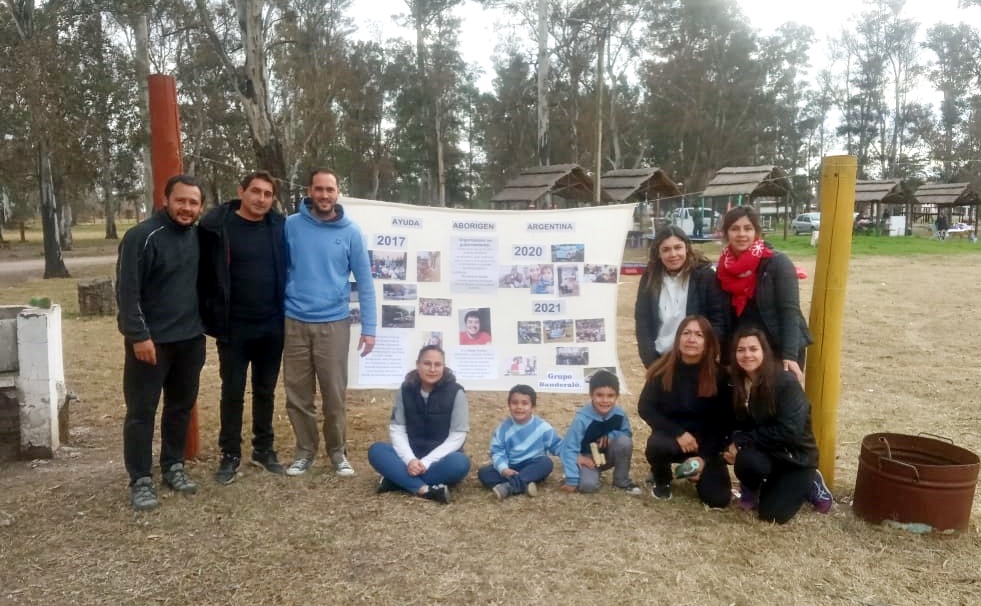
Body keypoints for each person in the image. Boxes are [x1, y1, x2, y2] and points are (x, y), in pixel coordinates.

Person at [116, 174, 207, 511]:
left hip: (190, 340)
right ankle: (140, 478)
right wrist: (138, 336)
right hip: (151, 343)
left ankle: (173, 466)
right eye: (180, 201)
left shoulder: (198, 237)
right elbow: (127, 292)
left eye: (193, 203)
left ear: (200, 207)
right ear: (166, 200)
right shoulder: (142, 236)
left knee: (180, 407)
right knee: (141, 412)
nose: (186, 208)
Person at [283, 169, 377, 477]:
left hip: (334, 324)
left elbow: (364, 282)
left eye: (330, 189)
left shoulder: (351, 232)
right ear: (309, 191)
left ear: (338, 193)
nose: (324, 195)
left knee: (334, 395)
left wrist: (370, 329)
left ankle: (338, 452)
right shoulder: (291, 226)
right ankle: (304, 452)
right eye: (319, 189)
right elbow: (281, 269)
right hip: (294, 321)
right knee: (298, 394)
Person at [198, 170, 287, 484]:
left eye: (267, 194)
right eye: (256, 192)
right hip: (233, 327)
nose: (261, 199)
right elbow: (203, 274)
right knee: (232, 392)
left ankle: (263, 449)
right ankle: (230, 454)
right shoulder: (215, 227)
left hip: (272, 325)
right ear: (242, 192)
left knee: (265, 391)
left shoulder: (279, 227)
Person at [723, 328, 833, 524]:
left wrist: (742, 440)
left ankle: (812, 482)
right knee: (746, 461)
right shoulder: (735, 382)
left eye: (753, 349)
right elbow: (734, 421)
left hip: (794, 457)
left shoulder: (785, 382)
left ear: (764, 352)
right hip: (766, 452)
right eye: (741, 350)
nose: (747, 354)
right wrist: (731, 441)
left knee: (772, 515)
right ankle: (752, 490)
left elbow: (790, 430)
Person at [637, 315, 733, 506]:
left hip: (707, 444)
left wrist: (703, 458)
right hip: (673, 439)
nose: (691, 339)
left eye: (698, 334)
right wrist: (678, 433)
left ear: (707, 342)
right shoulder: (662, 369)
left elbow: (723, 423)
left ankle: (696, 469)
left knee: (718, 500)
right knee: (656, 445)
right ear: (678, 338)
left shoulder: (720, 376)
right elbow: (645, 407)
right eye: (686, 333)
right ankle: (662, 479)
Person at [716, 206, 811, 381]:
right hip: (745, 348)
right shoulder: (723, 268)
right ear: (726, 233)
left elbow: (789, 310)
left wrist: (789, 355)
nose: (741, 234)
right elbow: (724, 315)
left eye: (748, 228)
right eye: (735, 229)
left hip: (778, 344)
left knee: (777, 402)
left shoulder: (777, 263)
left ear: (756, 232)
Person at [367, 345, 470, 504]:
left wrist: (426, 462)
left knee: (460, 463)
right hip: (409, 456)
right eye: (427, 363)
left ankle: (397, 480)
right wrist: (410, 460)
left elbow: (458, 436)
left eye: (438, 364)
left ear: (444, 366)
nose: (432, 369)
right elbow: (397, 429)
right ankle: (425, 490)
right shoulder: (405, 389)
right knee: (377, 450)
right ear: (418, 365)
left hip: (440, 460)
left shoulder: (456, 392)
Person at [635, 225, 728, 368]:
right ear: (658, 253)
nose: (673, 254)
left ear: (687, 248)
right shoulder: (649, 277)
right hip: (661, 360)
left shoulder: (705, 276)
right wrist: (651, 361)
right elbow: (643, 322)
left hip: (698, 360)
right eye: (666, 250)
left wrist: (705, 355)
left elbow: (718, 320)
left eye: (678, 247)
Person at [558, 370, 642, 495]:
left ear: (617, 396)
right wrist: (572, 479)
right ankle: (580, 475)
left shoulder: (620, 414)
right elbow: (569, 447)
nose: (605, 400)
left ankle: (622, 480)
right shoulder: (582, 418)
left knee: (624, 442)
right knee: (588, 486)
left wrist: (612, 436)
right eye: (599, 395)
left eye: (610, 396)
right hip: (587, 458)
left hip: (607, 455)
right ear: (591, 395)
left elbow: (626, 433)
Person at [477, 384, 562, 500]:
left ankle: (509, 487)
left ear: (533, 407)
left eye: (524, 403)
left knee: (546, 463)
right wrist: (504, 470)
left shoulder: (543, 427)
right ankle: (524, 485)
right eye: (514, 403)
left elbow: (557, 445)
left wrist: (573, 455)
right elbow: (497, 451)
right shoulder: (503, 429)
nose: (519, 407)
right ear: (509, 405)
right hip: (510, 467)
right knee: (484, 473)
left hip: (532, 465)